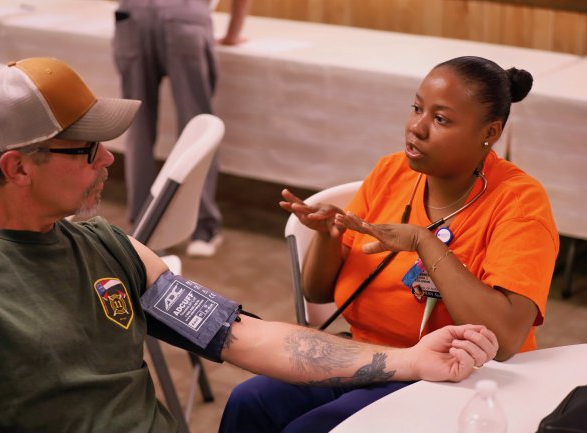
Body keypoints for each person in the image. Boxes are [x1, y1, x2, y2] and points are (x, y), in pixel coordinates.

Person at [0, 57, 499, 433]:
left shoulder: (109, 246)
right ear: (17, 167)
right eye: (87, 150)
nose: (109, 159)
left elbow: (244, 337)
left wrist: (408, 360)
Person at [219, 56, 559, 433]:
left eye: (441, 119)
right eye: (416, 108)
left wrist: (423, 242)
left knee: (312, 429)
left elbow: (507, 338)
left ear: (490, 133)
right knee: (249, 402)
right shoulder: (390, 172)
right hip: (368, 355)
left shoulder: (519, 202)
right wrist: (328, 238)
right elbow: (318, 293)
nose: (417, 127)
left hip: (455, 375)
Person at [112, 0, 252, 258]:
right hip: (185, 17)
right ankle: (203, 229)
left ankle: (144, 230)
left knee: (138, 127)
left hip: (133, 16)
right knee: (198, 127)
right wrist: (232, 34)